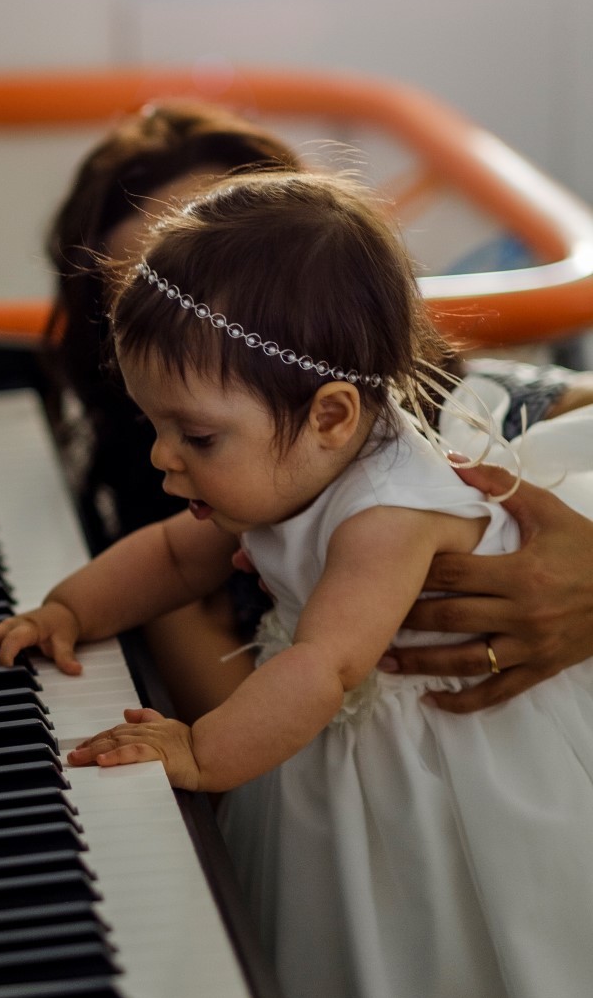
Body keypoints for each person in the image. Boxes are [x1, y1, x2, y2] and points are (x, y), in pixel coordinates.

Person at [0, 172, 593, 998]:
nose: (164, 460)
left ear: (333, 416)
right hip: (342, 764)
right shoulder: (288, 462)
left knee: (433, 975)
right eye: (155, 426)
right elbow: (168, 557)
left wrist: (203, 752)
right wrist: (65, 609)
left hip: (436, 778)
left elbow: (323, 663)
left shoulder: (390, 512)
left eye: (192, 436)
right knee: (323, 946)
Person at [44, 100, 593, 722]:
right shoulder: (187, 520)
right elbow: (243, 780)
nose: (188, 317)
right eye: (153, 286)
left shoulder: (483, 414)